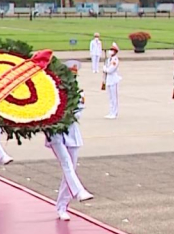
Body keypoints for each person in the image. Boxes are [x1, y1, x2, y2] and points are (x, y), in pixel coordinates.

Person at [46, 61, 92, 221]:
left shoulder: (79, 93)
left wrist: (66, 114)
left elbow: (78, 113)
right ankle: (79, 191)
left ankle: (62, 206)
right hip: (55, 133)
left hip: (71, 133)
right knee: (66, 164)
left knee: (70, 168)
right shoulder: (53, 90)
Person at [103, 42, 121, 119]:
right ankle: (111, 112)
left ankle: (114, 112)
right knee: (110, 97)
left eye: (112, 50)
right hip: (109, 80)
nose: (110, 51)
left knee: (114, 98)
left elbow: (110, 70)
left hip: (113, 80)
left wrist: (105, 69)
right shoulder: (109, 59)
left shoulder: (115, 60)